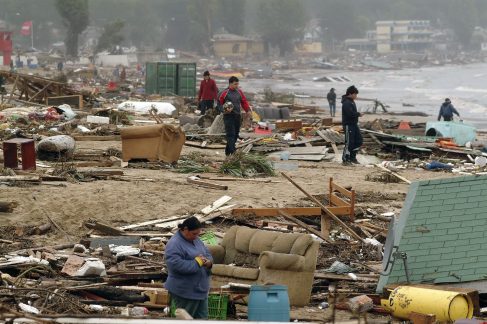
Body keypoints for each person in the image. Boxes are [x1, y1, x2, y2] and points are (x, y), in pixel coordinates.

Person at [164, 216, 213, 319]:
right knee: (186, 319)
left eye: (198, 234)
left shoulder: (196, 240)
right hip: (185, 292)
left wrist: (209, 262)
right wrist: (197, 262)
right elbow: (176, 265)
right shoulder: (174, 244)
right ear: (185, 229)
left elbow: (207, 253)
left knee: (203, 319)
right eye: (194, 234)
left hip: (200, 291)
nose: (196, 236)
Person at [218, 76, 250, 156]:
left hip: (237, 116)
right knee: (230, 134)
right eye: (235, 84)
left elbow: (244, 101)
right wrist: (224, 110)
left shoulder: (239, 92)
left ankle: (228, 152)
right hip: (228, 116)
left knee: (236, 134)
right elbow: (219, 104)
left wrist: (248, 110)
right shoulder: (224, 93)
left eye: (237, 84)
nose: (237, 86)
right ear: (230, 83)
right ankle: (233, 152)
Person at [341, 85, 363, 165]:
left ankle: (352, 157)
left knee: (359, 141)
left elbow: (353, 113)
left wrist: (357, 114)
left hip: (354, 124)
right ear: (350, 94)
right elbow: (350, 114)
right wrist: (358, 114)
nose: (356, 96)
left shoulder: (352, 101)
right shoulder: (346, 102)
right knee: (349, 143)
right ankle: (345, 159)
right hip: (348, 125)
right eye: (355, 94)